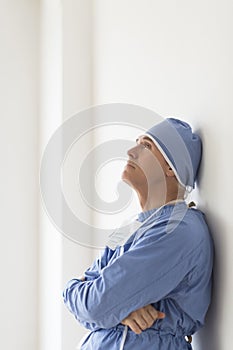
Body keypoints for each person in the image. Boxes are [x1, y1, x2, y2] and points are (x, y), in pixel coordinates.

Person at [63, 118, 213, 349]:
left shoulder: (179, 231)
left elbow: (97, 306)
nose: (131, 151)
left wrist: (111, 306)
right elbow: (79, 294)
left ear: (171, 167)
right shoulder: (129, 227)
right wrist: (117, 308)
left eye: (146, 146)